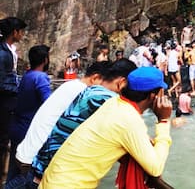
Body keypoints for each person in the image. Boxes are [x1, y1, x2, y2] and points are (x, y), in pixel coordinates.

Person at [39, 66, 173, 189]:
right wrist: (163, 121)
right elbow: (155, 168)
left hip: (52, 180)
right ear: (154, 95)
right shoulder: (129, 118)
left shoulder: (114, 103)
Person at [32, 59, 137, 183]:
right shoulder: (107, 99)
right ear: (122, 82)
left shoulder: (89, 90)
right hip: (54, 173)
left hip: (41, 163)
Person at [6, 62, 108, 188]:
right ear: (95, 78)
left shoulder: (71, 85)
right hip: (35, 160)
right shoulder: (84, 94)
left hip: (26, 151)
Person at [7, 45, 51, 184]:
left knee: (13, 168)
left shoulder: (27, 75)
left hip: (17, 126)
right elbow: (49, 104)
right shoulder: (41, 78)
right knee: (27, 174)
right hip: (28, 130)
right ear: (45, 60)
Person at [0, 17, 27, 184]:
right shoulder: (3, 53)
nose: (22, 34)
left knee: (5, 140)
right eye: (21, 31)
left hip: (9, 101)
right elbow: (2, 82)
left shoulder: (10, 50)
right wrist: (19, 90)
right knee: (2, 140)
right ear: (14, 32)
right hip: (4, 102)